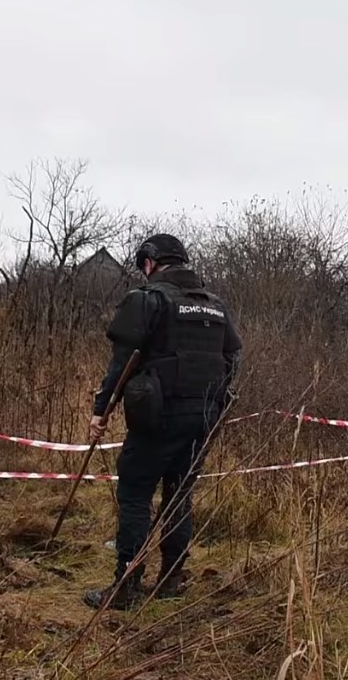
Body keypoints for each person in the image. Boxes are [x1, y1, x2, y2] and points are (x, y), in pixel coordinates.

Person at [83, 233, 242, 610]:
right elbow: (233, 359)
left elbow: (121, 363)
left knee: (135, 492)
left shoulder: (147, 299)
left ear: (151, 262)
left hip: (157, 418)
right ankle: (171, 580)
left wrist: (100, 411)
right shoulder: (216, 307)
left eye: (144, 266)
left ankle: (126, 587)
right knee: (179, 495)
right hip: (204, 417)